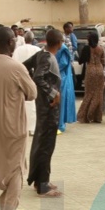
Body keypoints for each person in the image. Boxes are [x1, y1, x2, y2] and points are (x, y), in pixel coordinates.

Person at [0, 27, 37, 210]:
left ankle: (8, 205)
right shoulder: (16, 67)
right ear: (11, 42)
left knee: (5, 163)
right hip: (14, 125)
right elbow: (32, 93)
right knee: (16, 168)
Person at [25, 30, 63, 198]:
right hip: (48, 108)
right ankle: (42, 185)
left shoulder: (41, 54)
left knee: (42, 143)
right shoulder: (47, 57)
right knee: (46, 144)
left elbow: (23, 67)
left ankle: (40, 180)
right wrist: (52, 93)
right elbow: (38, 77)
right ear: (60, 43)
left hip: (43, 105)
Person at [13, 32, 41, 134]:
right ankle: (32, 128)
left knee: (22, 102)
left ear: (24, 39)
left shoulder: (18, 50)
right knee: (33, 103)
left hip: (20, 79)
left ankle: (22, 127)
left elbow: (14, 64)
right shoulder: (37, 50)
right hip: (33, 78)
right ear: (33, 39)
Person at [77, 31, 105, 123]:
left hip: (90, 70)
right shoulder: (101, 49)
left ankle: (85, 116)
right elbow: (103, 62)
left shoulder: (86, 48)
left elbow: (80, 61)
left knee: (89, 93)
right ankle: (97, 117)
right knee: (99, 93)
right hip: (100, 70)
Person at [56, 28, 77, 132]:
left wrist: (53, 68)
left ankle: (61, 125)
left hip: (62, 77)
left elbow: (63, 63)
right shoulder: (58, 48)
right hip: (59, 76)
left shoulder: (63, 48)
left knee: (62, 101)